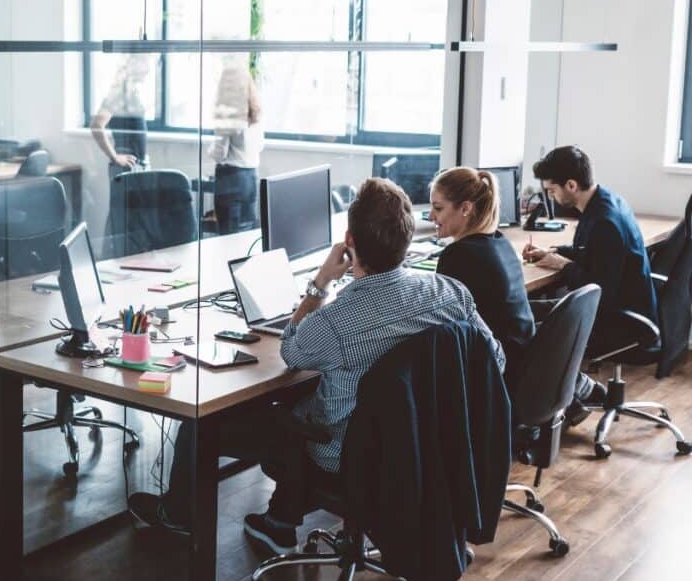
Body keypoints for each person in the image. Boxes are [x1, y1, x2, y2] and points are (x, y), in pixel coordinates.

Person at [128, 177, 505, 554]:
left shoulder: (336, 322)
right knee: (310, 396)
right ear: (407, 241)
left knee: (202, 425)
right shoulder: (451, 293)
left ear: (350, 243)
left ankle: (179, 514)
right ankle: (280, 519)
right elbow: (495, 362)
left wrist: (321, 283)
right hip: (428, 445)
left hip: (347, 455)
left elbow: (291, 352)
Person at [521, 145, 657, 426]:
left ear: (571, 185)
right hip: (630, 307)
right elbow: (594, 252)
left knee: (532, 326)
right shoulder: (605, 202)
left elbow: (599, 290)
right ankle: (574, 398)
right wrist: (557, 251)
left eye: (551, 190)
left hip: (622, 321)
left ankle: (567, 401)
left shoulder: (605, 221)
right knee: (530, 311)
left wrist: (562, 265)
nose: (551, 196)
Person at [430, 167, 535, 377]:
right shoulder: (499, 241)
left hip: (497, 373)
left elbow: (439, 323)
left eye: (438, 208)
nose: (431, 216)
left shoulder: (458, 255)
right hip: (525, 364)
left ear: (466, 208)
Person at [89, 56, 151, 251]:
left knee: (131, 220)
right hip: (125, 167)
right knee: (119, 219)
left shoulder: (132, 94)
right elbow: (96, 126)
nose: (148, 67)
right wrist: (115, 156)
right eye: (144, 62)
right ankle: (108, 263)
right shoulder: (117, 94)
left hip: (137, 164)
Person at [209, 60, 263, 234]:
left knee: (227, 237)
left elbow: (219, 153)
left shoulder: (228, 114)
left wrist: (209, 150)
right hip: (251, 177)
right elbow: (260, 145)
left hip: (230, 179)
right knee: (246, 234)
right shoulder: (256, 112)